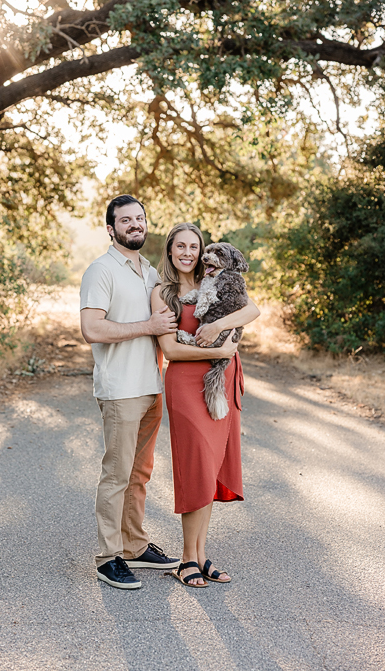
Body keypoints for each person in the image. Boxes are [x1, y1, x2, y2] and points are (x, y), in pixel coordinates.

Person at [79, 195, 182, 590]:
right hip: (121, 390)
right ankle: (109, 557)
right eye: (126, 220)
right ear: (111, 228)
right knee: (117, 475)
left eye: (140, 218)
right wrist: (148, 325)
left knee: (140, 474)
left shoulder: (151, 272)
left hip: (152, 388)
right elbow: (93, 329)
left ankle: (135, 545)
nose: (135, 224)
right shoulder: (101, 271)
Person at [150, 222, 259, 587]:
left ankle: (200, 554)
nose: (187, 253)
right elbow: (170, 350)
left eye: (193, 247)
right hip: (185, 385)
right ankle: (185, 559)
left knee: (211, 466)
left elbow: (252, 310)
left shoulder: (213, 284)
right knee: (195, 463)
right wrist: (217, 347)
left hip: (220, 381)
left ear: (201, 251)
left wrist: (215, 329)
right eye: (179, 246)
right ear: (169, 251)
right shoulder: (163, 293)